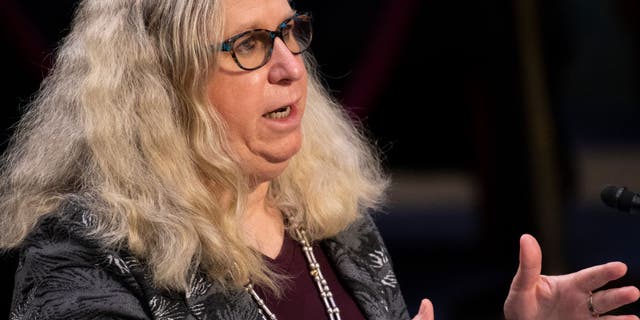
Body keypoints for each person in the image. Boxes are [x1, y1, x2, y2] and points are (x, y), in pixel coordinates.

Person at [0, 0, 638, 319]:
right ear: (160, 87)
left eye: (289, 33)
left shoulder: (329, 220)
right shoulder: (80, 250)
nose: (289, 66)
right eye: (249, 44)